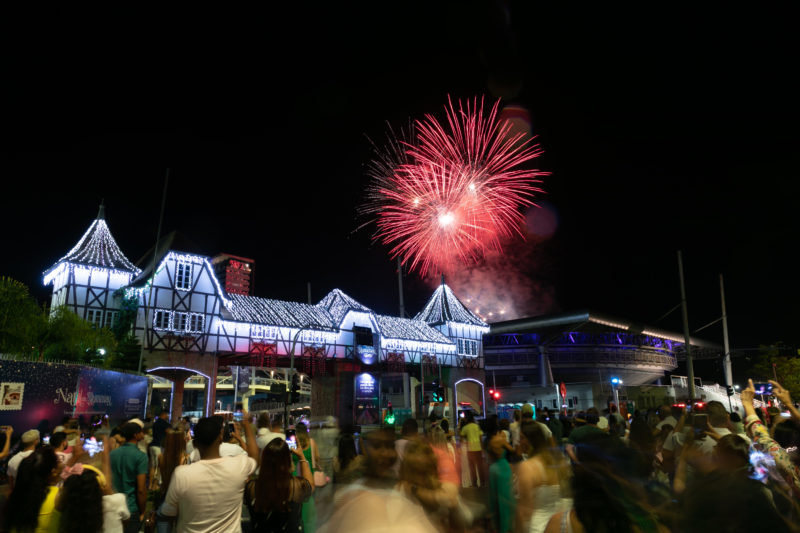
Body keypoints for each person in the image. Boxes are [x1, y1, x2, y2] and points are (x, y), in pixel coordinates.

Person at [160, 414, 259, 532]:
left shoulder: (181, 474)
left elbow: (168, 513)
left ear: (194, 444)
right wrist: (247, 424)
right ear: (220, 438)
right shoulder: (238, 466)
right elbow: (255, 457)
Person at [246, 437, 314, 533]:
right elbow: (310, 485)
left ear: (264, 460)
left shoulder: (252, 487)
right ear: (287, 462)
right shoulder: (296, 486)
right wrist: (302, 457)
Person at [517, 421, 570, 533]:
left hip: (536, 526)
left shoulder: (527, 467)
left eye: (522, 438)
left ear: (531, 440)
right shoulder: (555, 462)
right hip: (557, 525)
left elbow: (525, 509)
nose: (518, 441)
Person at [2, 445, 64, 533]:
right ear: (53, 472)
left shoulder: (16, 496)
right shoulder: (59, 497)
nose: (61, 463)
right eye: (58, 460)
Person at [109, 422, 148, 533]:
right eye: (141, 432)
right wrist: (142, 511)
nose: (143, 434)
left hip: (113, 506)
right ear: (136, 435)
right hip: (131, 507)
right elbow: (141, 489)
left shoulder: (112, 454)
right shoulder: (141, 456)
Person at [154, 430, 187, 532]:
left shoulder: (161, 457)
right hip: (181, 501)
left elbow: (159, 480)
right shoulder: (185, 459)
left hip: (165, 498)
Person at [293, 422, 319, 533]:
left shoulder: (294, 443)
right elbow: (317, 458)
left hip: (296, 478)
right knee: (308, 504)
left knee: (295, 506)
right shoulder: (311, 442)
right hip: (309, 477)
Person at [459, 412, 484, 487]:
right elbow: (480, 437)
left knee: (472, 467)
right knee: (480, 466)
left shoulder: (465, 427)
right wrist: (482, 447)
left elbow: (461, 438)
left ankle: (474, 483)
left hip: (470, 449)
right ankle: (482, 482)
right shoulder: (477, 426)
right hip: (478, 448)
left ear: (467, 419)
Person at [148, 410, 171, 490]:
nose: (168, 417)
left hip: (152, 446)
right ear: (164, 414)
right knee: (159, 466)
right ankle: (155, 486)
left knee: (153, 466)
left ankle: (150, 485)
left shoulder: (155, 423)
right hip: (159, 447)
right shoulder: (164, 424)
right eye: (168, 415)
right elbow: (169, 433)